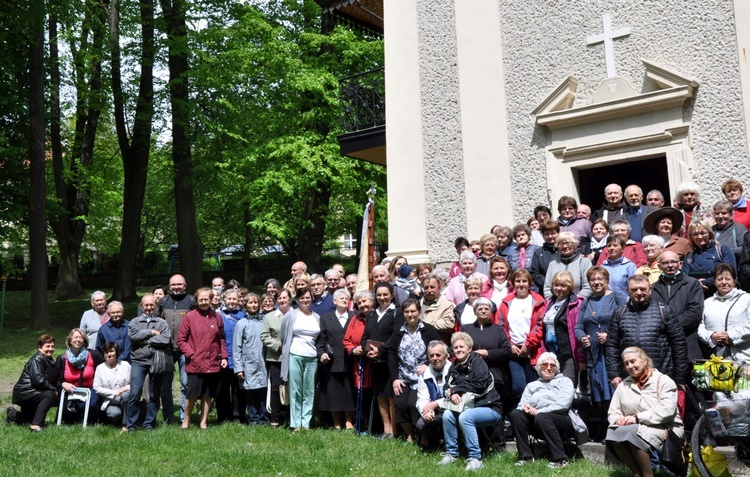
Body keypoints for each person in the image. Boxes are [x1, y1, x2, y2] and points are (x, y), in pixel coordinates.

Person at [606, 347, 683, 477]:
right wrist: (618, 419)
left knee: (635, 432)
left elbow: (667, 410)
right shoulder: (624, 385)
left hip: (666, 427)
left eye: (633, 361)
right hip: (635, 426)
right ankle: (637, 473)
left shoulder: (663, 380)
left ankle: (648, 475)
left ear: (645, 361)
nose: (630, 366)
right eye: (626, 363)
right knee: (613, 431)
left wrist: (637, 418)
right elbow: (613, 411)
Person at [433, 332, 503, 471]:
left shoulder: (478, 362)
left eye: (461, 347)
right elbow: (447, 386)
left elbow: (481, 385)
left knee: (466, 417)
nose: (458, 350)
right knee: (447, 415)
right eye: (455, 347)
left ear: (469, 348)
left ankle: (476, 458)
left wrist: (457, 389)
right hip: (466, 407)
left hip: (490, 407)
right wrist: (451, 392)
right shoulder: (454, 366)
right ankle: (452, 454)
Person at [606, 275, 690, 387]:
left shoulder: (664, 311)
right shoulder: (619, 313)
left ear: (650, 289)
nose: (639, 293)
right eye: (634, 289)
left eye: (643, 289)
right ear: (627, 291)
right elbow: (612, 346)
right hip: (629, 378)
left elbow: (679, 344)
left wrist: (679, 378)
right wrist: (614, 374)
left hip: (660, 377)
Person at [385, 299, 440, 442]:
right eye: (407, 311)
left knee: (413, 404)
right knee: (400, 404)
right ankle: (409, 435)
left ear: (419, 312)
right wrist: (395, 378)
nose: (410, 314)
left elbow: (437, 350)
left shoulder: (428, 330)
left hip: (422, 378)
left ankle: (423, 435)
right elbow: (391, 353)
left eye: (413, 311)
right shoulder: (399, 332)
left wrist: (428, 364)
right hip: (403, 377)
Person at [510, 352, 576, 469]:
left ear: (557, 368)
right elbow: (521, 405)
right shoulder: (531, 385)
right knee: (516, 414)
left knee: (542, 417)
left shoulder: (565, 382)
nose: (549, 368)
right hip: (536, 421)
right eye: (545, 365)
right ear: (539, 367)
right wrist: (526, 408)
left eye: (552, 365)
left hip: (561, 421)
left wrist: (539, 412)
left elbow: (563, 404)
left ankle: (561, 459)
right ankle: (526, 457)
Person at [575, 267, 628, 410]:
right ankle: (604, 425)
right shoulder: (586, 302)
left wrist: (610, 336)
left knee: (616, 390)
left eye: (600, 279)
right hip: (594, 355)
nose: (596, 282)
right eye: (593, 279)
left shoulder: (618, 298)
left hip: (613, 354)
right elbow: (578, 326)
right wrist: (582, 338)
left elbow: (627, 322)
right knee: (599, 392)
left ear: (607, 280)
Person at [177, 287, 229, 429]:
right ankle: (186, 420)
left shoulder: (217, 317)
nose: (204, 302)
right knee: (192, 393)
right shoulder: (189, 317)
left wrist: (224, 356)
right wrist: (192, 355)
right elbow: (181, 340)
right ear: (197, 300)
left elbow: (222, 339)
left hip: (212, 362)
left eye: (206, 299)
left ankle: (203, 421)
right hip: (195, 363)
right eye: (201, 300)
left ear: (211, 299)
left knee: (208, 393)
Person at [496, 269, 545, 409]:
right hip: (513, 352)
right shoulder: (506, 302)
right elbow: (500, 326)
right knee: (518, 387)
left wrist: (528, 343)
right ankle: (516, 418)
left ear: (529, 283)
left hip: (532, 351)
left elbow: (540, 325)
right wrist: (509, 344)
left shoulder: (538, 301)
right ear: (513, 283)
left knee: (533, 388)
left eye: (524, 281)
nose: (521, 284)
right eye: (518, 281)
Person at [125, 294, 171, 432]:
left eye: (152, 305)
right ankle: (131, 425)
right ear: (141, 306)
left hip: (156, 361)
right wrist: (151, 332)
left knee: (154, 394)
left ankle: (149, 424)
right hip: (138, 361)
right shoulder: (134, 322)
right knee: (134, 393)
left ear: (155, 306)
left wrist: (146, 340)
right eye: (146, 305)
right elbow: (133, 337)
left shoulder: (161, 323)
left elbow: (165, 340)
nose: (149, 307)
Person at [651, 250, 705, 361]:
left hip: (687, 341)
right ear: (659, 265)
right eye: (665, 263)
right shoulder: (652, 288)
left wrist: (670, 326)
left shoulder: (692, 284)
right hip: (661, 345)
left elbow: (695, 312)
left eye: (673, 262)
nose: (670, 265)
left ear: (680, 264)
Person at [362, 282, 399, 437]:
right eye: (379, 295)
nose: (382, 298)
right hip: (375, 362)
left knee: (391, 396)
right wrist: (367, 351)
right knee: (380, 395)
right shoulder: (372, 314)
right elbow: (365, 338)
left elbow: (396, 336)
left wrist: (381, 350)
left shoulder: (397, 313)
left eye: (385, 294)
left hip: (390, 361)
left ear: (391, 295)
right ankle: (386, 430)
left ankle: (395, 432)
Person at [280, 287, 321, 431]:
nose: (305, 300)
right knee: (295, 390)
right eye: (302, 298)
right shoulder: (290, 316)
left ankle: (306, 422)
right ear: (297, 299)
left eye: (308, 298)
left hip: (311, 357)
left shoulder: (316, 317)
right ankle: (296, 423)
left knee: (309, 391)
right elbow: (283, 337)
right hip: (295, 355)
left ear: (311, 299)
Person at [317, 288, 356, 430]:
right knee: (334, 394)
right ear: (334, 301)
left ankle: (349, 422)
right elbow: (321, 340)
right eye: (341, 298)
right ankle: (337, 423)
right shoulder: (326, 318)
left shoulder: (355, 316)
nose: (344, 300)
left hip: (351, 361)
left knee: (349, 392)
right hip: (332, 362)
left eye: (347, 298)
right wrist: (321, 354)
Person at [158, 273, 195, 423]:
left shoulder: (192, 302)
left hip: (184, 349)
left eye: (179, 284)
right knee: (165, 386)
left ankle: (183, 417)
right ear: (169, 286)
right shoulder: (163, 301)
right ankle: (168, 417)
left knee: (186, 385)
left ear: (185, 286)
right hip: (166, 349)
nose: (176, 287)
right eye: (173, 284)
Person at [698, 264, 750, 361]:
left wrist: (730, 336)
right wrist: (711, 336)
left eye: (728, 279)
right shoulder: (707, 303)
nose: (724, 282)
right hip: (716, 358)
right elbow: (701, 325)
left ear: (735, 281)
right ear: (714, 282)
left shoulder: (747, 299)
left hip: (744, 357)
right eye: (720, 279)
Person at [233, 292, 269, 426]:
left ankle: (264, 417)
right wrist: (239, 368)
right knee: (251, 392)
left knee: (263, 391)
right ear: (245, 305)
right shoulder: (242, 323)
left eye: (255, 302)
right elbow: (237, 348)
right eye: (250, 303)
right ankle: (253, 418)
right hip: (248, 364)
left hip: (263, 362)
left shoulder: (265, 320)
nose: (253, 305)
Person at [9, 334, 58, 431]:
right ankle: (36, 425)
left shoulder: (49, 360)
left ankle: (12, 413)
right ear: (39, 348)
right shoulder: (38, 358)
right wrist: (54, 389)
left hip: (34, 392)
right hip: (26, 392)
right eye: (47, 346)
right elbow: (38, 380)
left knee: (26, 420)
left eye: (52, 346)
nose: (50, 349)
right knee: (50, 394)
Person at [542, 271, 584, 381]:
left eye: (563, 285)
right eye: (556, 285)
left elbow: (579, 329)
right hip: (551, 353)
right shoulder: (549, 303)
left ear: (570, 287)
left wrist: (581, 357)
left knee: (566, 386)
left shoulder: (577, 304)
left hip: (568, 353)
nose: (559, 288)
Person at [55, 328, 103, 424]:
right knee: (68, 413)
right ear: (70, 340)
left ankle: (89, 419)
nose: (78, 340)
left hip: (89, 389)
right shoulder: (62, 358)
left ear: (84, 340)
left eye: (81, 338)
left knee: (90, 406)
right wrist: (63, 384)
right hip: (70, 390)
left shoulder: (94, 355)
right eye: (75, 337)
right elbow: (56, 379)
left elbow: (103, 372)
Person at [260, 288, 292, 427]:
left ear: (290, 299)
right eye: (279, 298)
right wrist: (278, 346)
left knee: (293, 388)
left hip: (293, 357)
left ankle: (292, 418)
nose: (282, 300)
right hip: (275, 358)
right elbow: (264, 336)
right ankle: (275, 419)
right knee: (276, 388)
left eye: (285, 297)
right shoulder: (269, 317)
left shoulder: (296, 314)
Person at [683, 219, 736, 297]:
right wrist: (697, 284)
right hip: (697, 296)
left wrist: (706, 283)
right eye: (695, 234)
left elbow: (730, 273)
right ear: (691, 237)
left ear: (709, 234)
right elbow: (684, 277)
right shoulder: (689, 256)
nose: (700, 237)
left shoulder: (723, 250)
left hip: (721, 295)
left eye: (703, 233)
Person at [415, 341, 453, 449]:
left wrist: (436, 403)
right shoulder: (425, 375)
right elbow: (422, 399)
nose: (435, 358)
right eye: (431, 355)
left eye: (438, 355)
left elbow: (453, 398)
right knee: (421, 424)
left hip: (452, 409)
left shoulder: (454, 371)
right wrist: (426, 413)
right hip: (435, 411)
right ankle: (434, 444)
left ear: (446, 356)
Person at [216, 288, 245, 423]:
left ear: (238, 300)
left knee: (238, 390)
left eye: (234, 299)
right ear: (224, 300)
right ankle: (223, 416)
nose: (232, 301)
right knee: (222, 390)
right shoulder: (218, 315)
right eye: (229, 299)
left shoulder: (243, 315)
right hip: (224, 358)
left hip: (239, 359)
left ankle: (238, 416)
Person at [543, 232, 593, 299]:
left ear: (575, 245)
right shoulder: (553, 264)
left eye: (568, 243)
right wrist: (553, 303)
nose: (565, 246)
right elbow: (547, 289)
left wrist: (574, 303)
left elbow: (588, 287)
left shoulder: (584, 263)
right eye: (561, 243)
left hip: (578, 305)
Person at [93, 342, 130, 428]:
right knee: (113, 414)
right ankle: (120, 419)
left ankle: (125, 424)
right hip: (110, 400)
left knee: (125, 396)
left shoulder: (126, 365)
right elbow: (96, 388)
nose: (109, 354)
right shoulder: (100, 368)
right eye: (106, 352)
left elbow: (134, 384)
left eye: (111, 351)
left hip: (125, 396)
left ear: (116, 352)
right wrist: (114, 392)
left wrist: (125, 388)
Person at [420, 273, 455, 344]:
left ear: (439, 287)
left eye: (432, 287)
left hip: (438, 345)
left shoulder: (447, 305)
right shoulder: (417, 305)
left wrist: (426, 323)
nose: (429, 290)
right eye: (426, 287)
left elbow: (448, 324)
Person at [712, 199, 748, 264]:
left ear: (731, 214)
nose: (720, 216)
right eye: (717, 213)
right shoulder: (711, 230)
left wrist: (722, 251)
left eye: (724, 213)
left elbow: (744, 249)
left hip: (733, 267)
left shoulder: (739, 229)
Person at [529, 219, 560, 293]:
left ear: (558, 233)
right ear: (543, 235)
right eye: (547, 234)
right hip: (546, 290)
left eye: (553, 233)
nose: (550, 236)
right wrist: (549, 284)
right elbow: (534, 273)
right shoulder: (538, 253)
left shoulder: (564, 250)